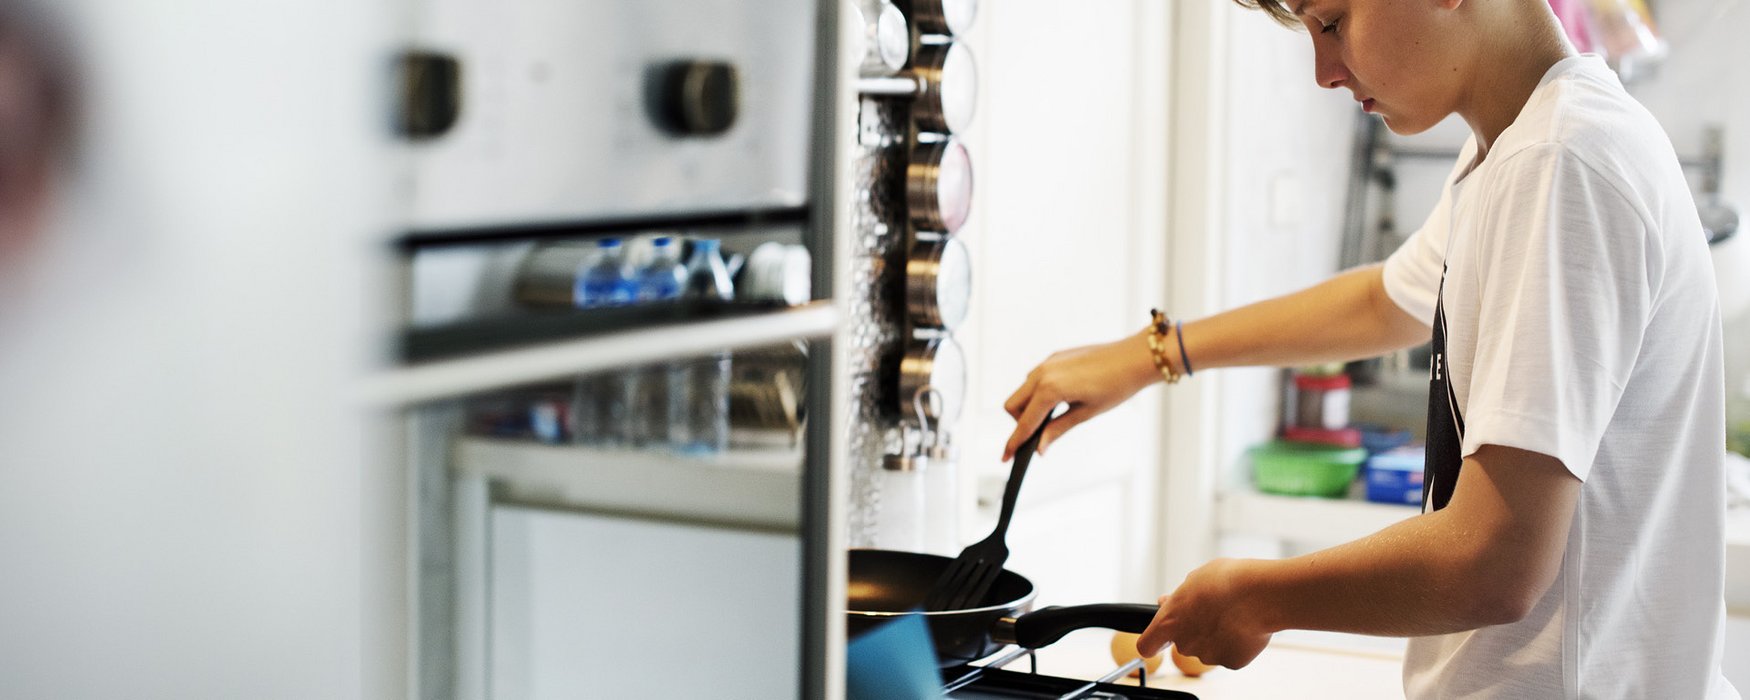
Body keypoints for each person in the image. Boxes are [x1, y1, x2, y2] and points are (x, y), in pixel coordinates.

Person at [998, 0, 1740, 696]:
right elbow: (1384, 300)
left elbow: (1495, 560)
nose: (1325, 71)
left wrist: (1257, 596)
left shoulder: (1560, 160)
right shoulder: (1516, 145)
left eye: (1334, 21)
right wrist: (1149, 354)